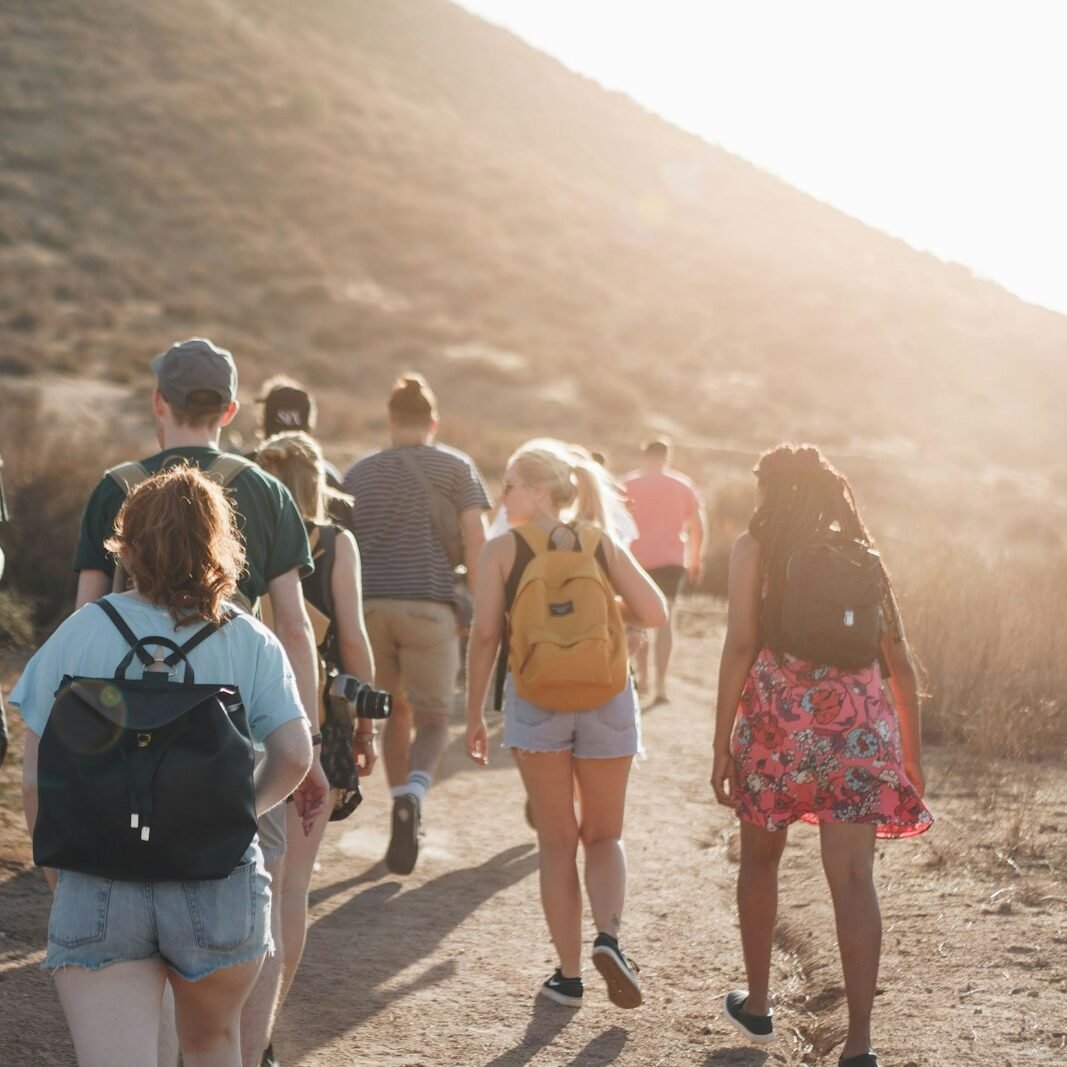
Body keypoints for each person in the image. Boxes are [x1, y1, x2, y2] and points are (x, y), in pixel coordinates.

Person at [72, 338, 327, 1066]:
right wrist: (301, 739)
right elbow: (294, 625)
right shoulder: (267, 490)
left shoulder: (112, 485)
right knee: (258, 899)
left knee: (129, 902)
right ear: (232, 409)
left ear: (158, 402)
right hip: (238, 730)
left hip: (123, 732)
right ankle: (245, 1053)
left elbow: (84, 614)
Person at [11, 466, 314, 1067]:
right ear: (218, 543)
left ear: (130, 543)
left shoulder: (82, 631)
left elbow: (34, 772)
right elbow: (295, 757)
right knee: (211, 1046)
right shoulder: (250, 639)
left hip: (99, 874)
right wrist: (227, 814)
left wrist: (58, 867)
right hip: (215, 879)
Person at [709, 444, 932, 1067]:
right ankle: (859, 1044)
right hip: (858, 728)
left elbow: (738, 647)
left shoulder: (756, 549)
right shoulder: (861, 555)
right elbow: (902, 667)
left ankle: (756, 1006)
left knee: (760, 860)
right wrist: (909, 758)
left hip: (776, 726)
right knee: (855, 879)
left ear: (769, 490)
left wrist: (722, 742)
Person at [465, 439, 667, 1010]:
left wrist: (477, 712)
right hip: (606, 693)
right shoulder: (601, 542)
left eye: (507, 486)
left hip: (536, 700)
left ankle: (571, 977)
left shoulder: (501, 551)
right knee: (604, 835)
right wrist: (606, 610)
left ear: (534, 490)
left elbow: (485, 636)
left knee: (556, 842)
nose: (503, 497)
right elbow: (654, 612)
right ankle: (609, 937)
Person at [252, 431, 377, 1053]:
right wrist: (365, 724)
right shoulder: (335, 542)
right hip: (313, 721)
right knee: (290, 887)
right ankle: (265, 1033)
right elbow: (350, 635)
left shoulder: (241, 532)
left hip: (242, 716)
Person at [343, 373, 491, 875]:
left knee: (394, 714)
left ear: (390, 421)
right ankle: (413, 798)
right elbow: (476, 537)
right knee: (432, 720)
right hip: (430, 607)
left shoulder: (358, 473)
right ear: (433, 421)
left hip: (369, 612)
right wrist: (477, 595)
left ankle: (399, 809)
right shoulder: (456, 468)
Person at [622, 436, 706, 706]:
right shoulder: (682, 485)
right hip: (671, 560)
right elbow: (698, 526)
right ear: (667, 456)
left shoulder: (627, 484)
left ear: (645, 455)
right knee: (666, 621)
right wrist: (695, 560)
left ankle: (643, 679)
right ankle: (661, 687)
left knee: (638, 618)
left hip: (635, 560)